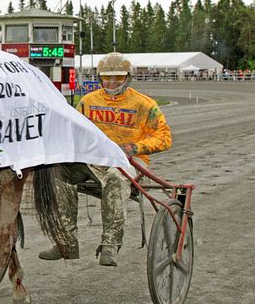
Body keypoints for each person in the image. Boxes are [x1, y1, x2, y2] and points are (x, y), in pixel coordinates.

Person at [39, 52, 172, 266]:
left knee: (115, 177)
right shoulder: (88, 101)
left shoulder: (144, 105)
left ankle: (110, 243)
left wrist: (134, 147)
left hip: (128, 162)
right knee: (57, 174)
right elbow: (74, 129)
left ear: (128, 77)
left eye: (118, 78)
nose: (112, 82)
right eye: (107, 77)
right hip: (93, 159)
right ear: (100, 77)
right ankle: (67, 242)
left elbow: (164, 137)